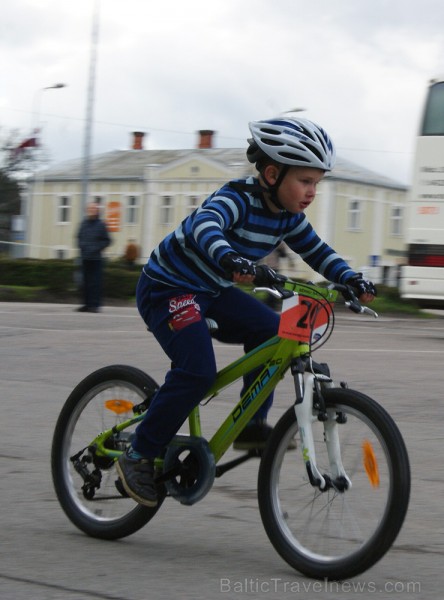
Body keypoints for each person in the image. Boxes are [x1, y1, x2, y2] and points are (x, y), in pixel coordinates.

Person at [116, 116, 377, 507]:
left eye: (316, 184)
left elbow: (318, 251)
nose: (311, 192)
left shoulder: (289, 217)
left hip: (213, 290)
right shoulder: (237, 197)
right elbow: (207, 224)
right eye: (305, 181)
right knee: (197, 371)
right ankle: (137, 453)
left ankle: (252, 427)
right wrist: (229, 257)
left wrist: (351, 278)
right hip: (169, 287)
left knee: (275, 332)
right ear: (272, 173)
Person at [76, 202, 111, 313]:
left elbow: (107, 240)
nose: (92, 211)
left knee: (95, 283)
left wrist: (96, 248)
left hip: (96, 259)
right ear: (87, 210)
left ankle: (95, 305)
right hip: (85, 257)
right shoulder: (83, 224)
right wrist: (82, 246)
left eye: (94, 209)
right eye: (90, 209)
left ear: (97, 211)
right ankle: (86, 304)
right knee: (85, 282)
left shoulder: (101, 224)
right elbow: (79, 237)